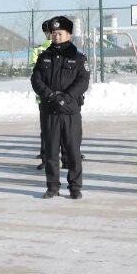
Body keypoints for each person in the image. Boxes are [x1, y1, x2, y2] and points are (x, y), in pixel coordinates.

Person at [30, 16, 89, 199]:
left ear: (69, 35)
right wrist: (50, 96)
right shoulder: (44, 57)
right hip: (50, 111)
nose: (56, 36)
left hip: (70, 112)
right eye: (54, 33)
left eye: (60, 33)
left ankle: (75, 187)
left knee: (73, 152)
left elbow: (83, 82)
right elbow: (36, 80)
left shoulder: (78, 58)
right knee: (51, 152)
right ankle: (52, 187)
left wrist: (66, 97)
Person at [32, 19, 53, 171]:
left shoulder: (38, 50)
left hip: (45, 95)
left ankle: (47, 158)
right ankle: (65, 157)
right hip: (53, 95)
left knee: (47, 128)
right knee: (60, 128)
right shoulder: (40, 50)